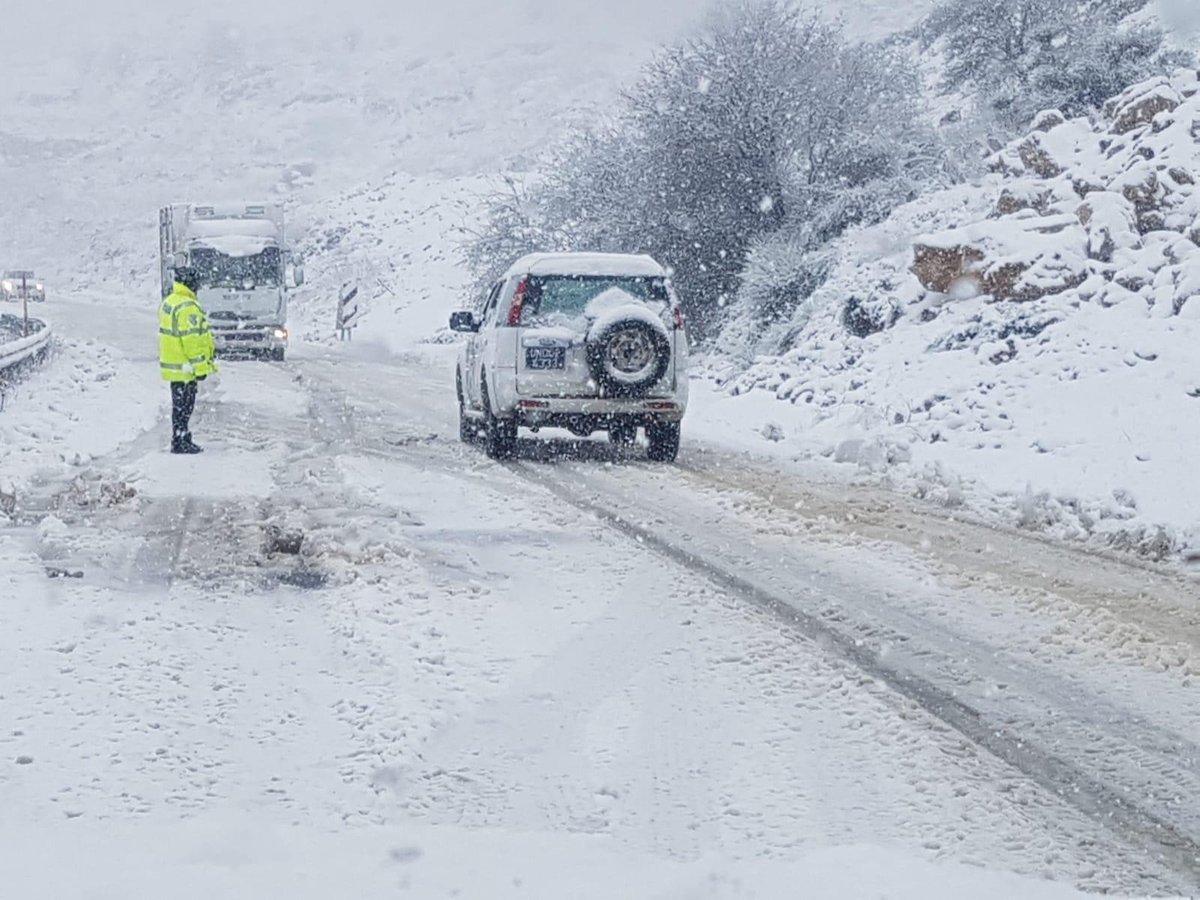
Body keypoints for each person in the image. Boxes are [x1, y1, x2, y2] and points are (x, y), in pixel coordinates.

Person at [159, 267, 217, 454]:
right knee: (185, 406)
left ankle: (180, 437)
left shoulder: (170, 302)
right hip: (186, 367)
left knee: (178, 406)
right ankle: (181, 440)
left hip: (174, 366)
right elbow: (193, 340)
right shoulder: (188, 307)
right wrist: (201, 367)